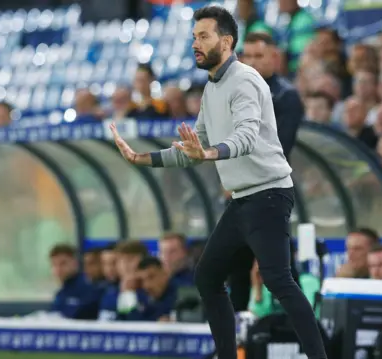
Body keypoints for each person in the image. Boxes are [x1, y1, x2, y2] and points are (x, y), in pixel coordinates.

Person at [109, 6, 327, 359]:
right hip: (243, 199)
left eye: (203, 36)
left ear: (226, 42)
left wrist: (208, 154)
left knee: (278, 280)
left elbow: (245, 138)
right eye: (194, 37)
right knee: (208, 277)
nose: (195, 43)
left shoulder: (245, 80)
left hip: (269, 195)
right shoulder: (213, 88)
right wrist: (141, 158)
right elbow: (192, 147)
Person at [48, 244, 101, 320]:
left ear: (75, 263)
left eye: (63, 264)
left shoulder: (88, 287)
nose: (58, 269)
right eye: (54, 264)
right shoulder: (60, 294)